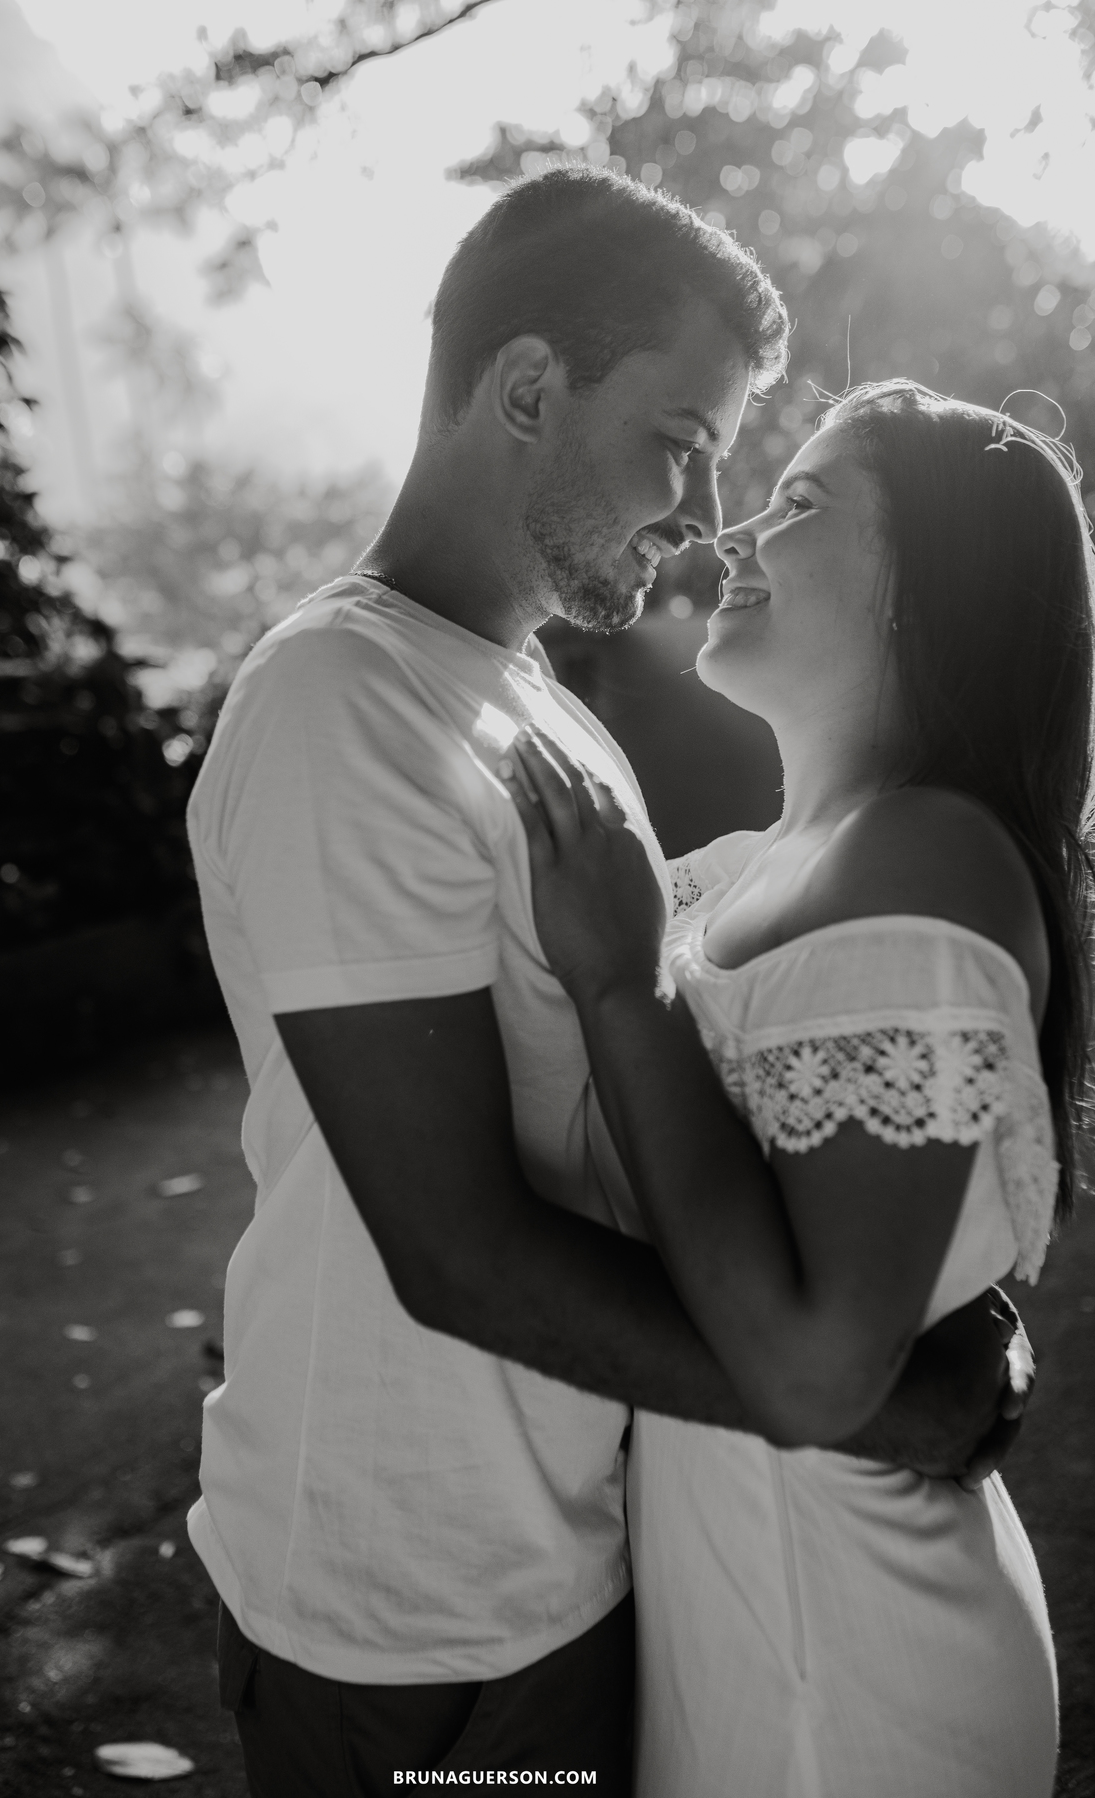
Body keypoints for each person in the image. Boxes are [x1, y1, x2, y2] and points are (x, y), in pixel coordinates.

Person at [186, 170, 1029, 1796]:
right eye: (684, 437)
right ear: (525, 387)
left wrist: (922, 1267)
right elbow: (454, 1250)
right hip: (411, 1612)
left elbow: (675, 1094)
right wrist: (868, 1398)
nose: (705, 507)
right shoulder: (338, 701)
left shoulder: (541, 711)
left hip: (569, 1562)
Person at [502, 378, 1090, 1796]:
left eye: (806, 498)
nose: (736, 532)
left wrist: (620, 983)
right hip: (747, 1613)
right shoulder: (765, 858)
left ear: (931, 584)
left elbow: (822, 1365)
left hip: (848, 1665)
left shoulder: (929, 853)